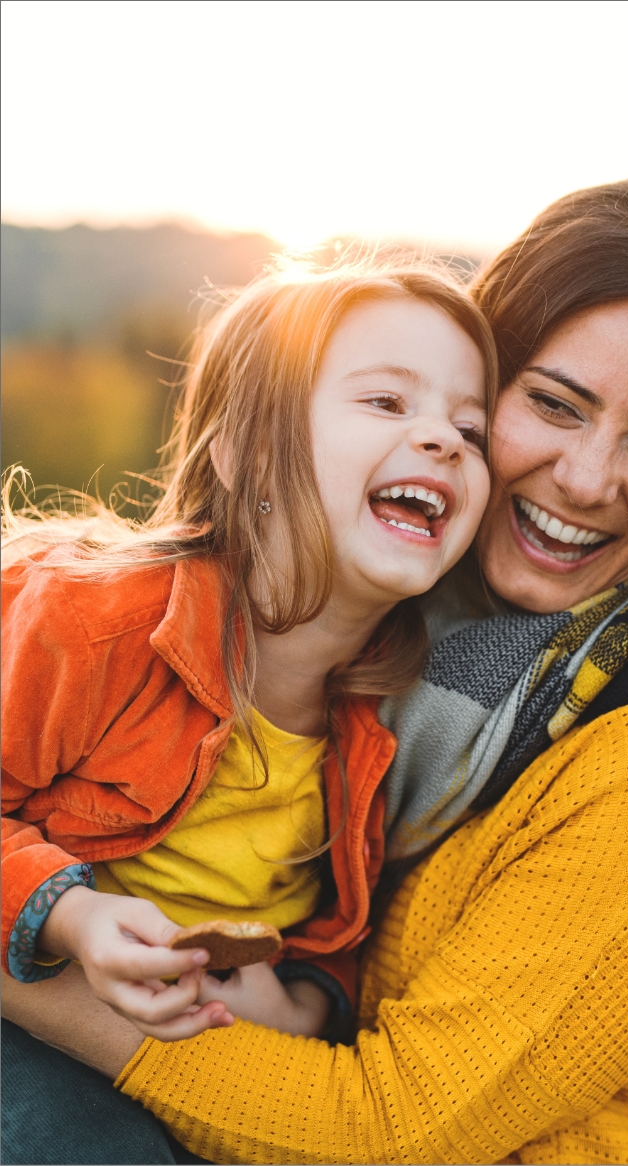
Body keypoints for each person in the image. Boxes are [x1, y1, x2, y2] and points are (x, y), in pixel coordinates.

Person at [1, 179, 628, 1166]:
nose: (584, 477)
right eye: (551, 403)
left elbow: (393, 1123)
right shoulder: (401, 660)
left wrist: (28, 970)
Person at [1, 262, 495, 1046]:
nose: (443, 439)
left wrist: (303, 1004)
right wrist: (67, 915)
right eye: (385, 401)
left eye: (473, 431)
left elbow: (333, 931)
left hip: (216, 1050)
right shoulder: (91, 622)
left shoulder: (395, 711)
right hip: (35, 1020)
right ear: (245, 456)